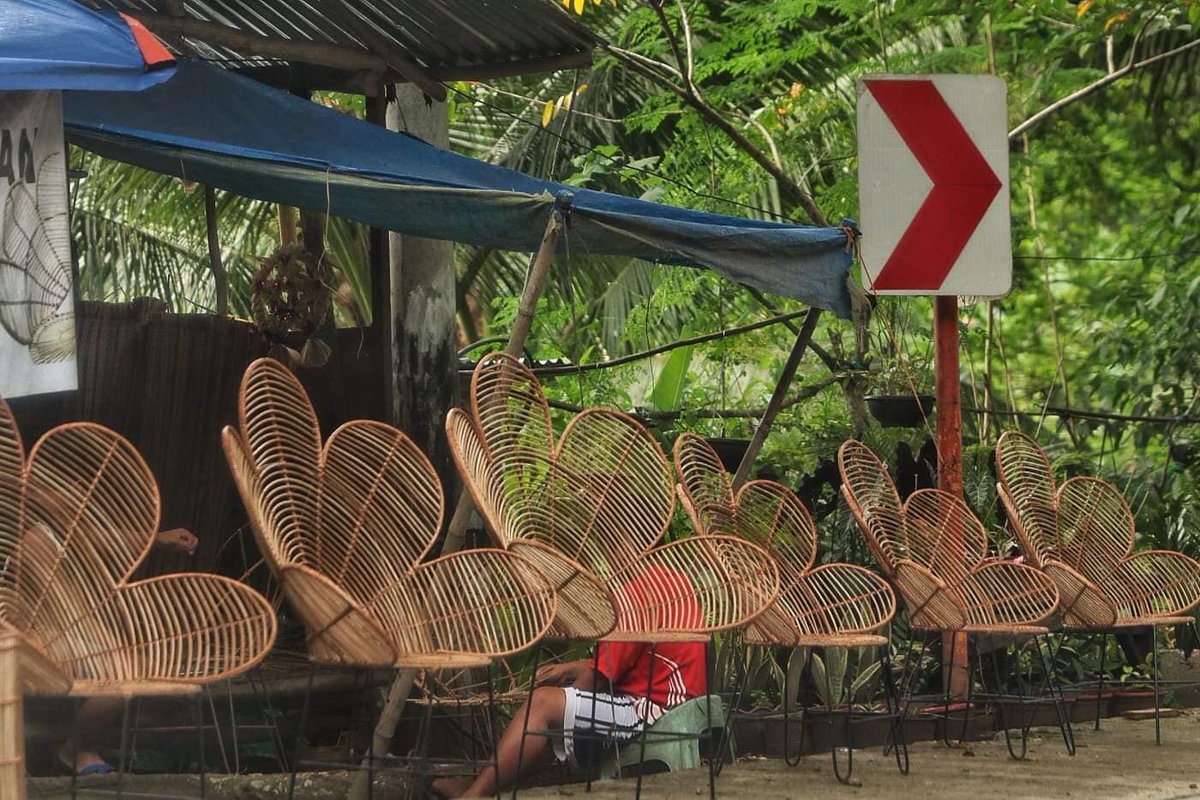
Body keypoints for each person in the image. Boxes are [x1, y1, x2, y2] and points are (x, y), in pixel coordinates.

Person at [433, 565, 707, 799]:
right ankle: (485, 784)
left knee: (542, 705)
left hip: (650, 710)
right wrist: (568, 670)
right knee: (554, 708)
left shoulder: (636, 593)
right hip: (677, 701)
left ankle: (475, 794)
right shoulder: (673, 581)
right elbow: (637, 659)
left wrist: (562, 701)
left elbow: (601, 677)